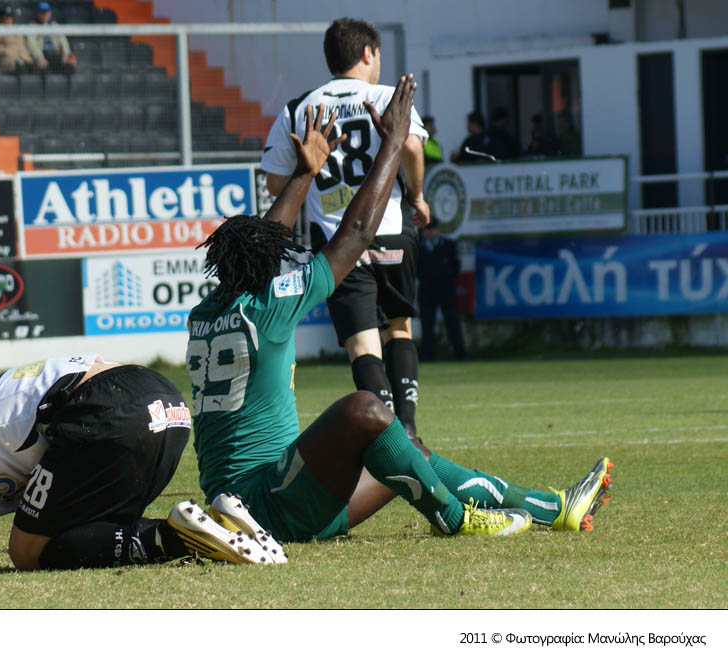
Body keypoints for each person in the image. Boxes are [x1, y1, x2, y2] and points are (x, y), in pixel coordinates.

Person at [190, 78, 614, 545]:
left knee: (405, 451)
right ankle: (454, 518)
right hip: (265, 507)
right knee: (363, 408)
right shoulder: (270, 306)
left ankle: (554, 507)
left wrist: (306, 173)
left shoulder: (207, 313)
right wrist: (392, 143)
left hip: (271, 499)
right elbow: (356, 233)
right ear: (263, 265)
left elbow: (264, 245)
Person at [0, 355, 286, 580]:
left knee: (26, 552)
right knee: (82, 536)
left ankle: (174, 537)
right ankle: (222, 523)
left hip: (107, 405)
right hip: (165, 402)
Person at [261, 17, 429, 444]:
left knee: (361, 345)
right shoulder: (386, 95)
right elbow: (411, 145)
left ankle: (389, 436)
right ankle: (408, 426)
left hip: (338, 245)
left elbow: (274, 182)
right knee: (398, 327)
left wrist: (316, 179)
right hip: (391, 228)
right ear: (368, 52)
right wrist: (416, 196)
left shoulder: (300, 107)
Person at [417, 220, 466, 361]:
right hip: (426, 290)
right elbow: (416, 269)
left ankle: (460, 354)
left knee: (452, 322)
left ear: (437, 229)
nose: (430, 232)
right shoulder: (418, 246)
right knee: (427, 325)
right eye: (427, 229)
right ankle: (427, 356)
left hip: (446, 289)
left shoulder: (448, 245)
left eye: (432, 229)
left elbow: (456, 266)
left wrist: (443, 276)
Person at [25, 2, 77, 75]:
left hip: (55, 55)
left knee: (69, 66)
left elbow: (63, 41)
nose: (44, 15)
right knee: (43, 69)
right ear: (37, 13)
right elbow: (32, 45)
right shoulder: (32, 27)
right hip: (41, 55)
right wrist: (39, 58)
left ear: (50, 13)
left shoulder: (55, 26)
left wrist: (65, 55)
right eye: (42, 12)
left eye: (46, 12)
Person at [0, 7, 36, 73]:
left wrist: (27, 57)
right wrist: (4, 50)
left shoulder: (17, 30)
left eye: (11, 17)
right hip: (6, 60)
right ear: (1, 18)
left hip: (23, 58)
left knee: (35, 66)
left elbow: (23, 46)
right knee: (18, 66)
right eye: (6, 17)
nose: (9, 19)